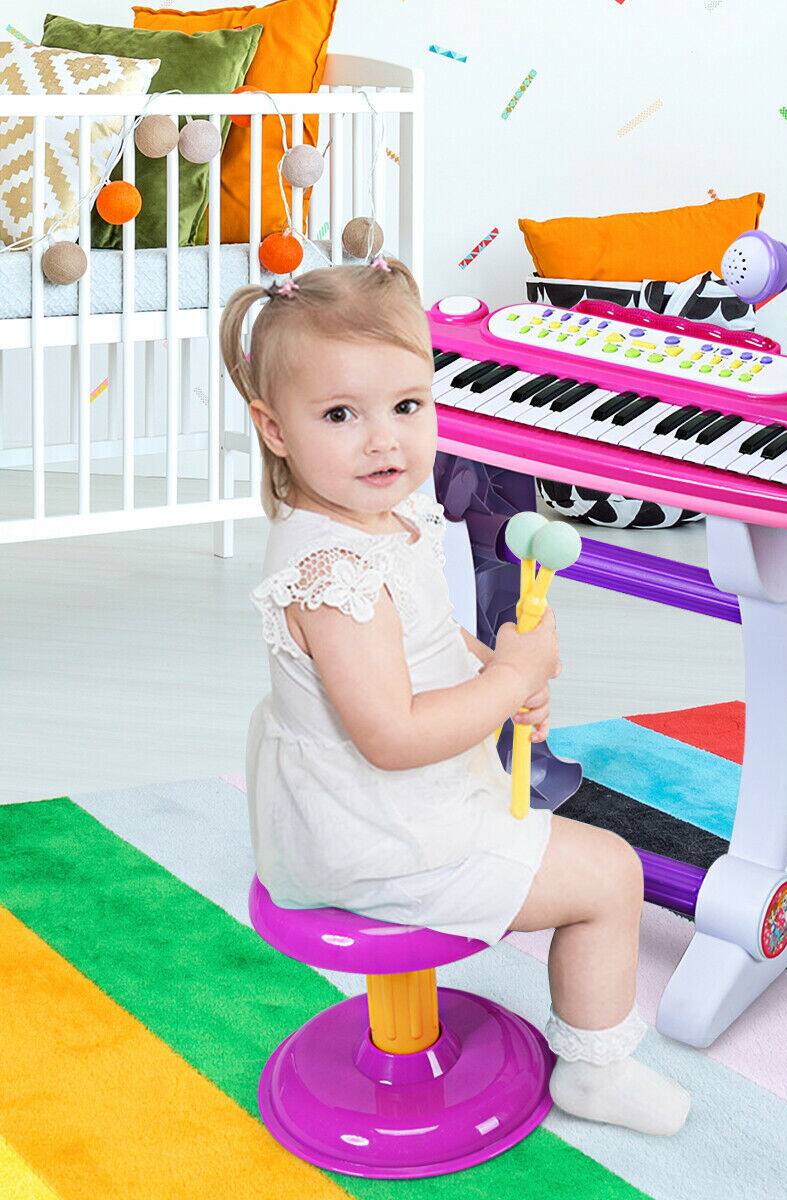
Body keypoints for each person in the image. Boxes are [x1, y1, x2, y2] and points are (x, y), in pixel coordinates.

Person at [219, 256, 690, 1136]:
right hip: (376, 831)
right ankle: (595, 1070)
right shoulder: (330, 575)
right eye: (339, 415)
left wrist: (489, 676)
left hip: (384, 802)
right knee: (611, 876)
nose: (384, 441)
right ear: (273, 427)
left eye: (407, 405)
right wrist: (513, 677)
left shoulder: (382, 513)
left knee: (579, 849)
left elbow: (423, 635)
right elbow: (392, 735)